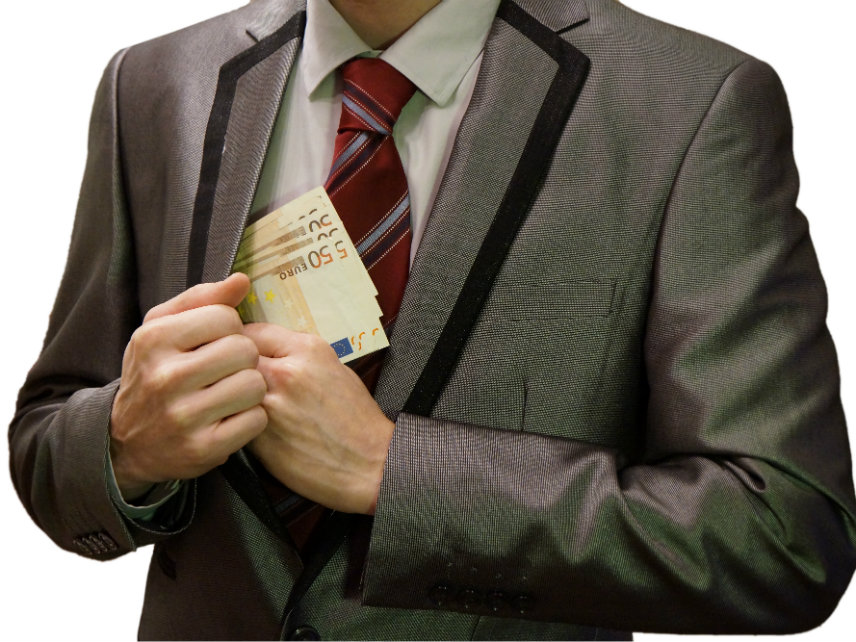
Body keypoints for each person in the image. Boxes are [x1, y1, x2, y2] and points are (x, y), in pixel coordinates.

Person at [8, 0, 856, 639]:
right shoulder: (153, 83)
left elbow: (782, 535)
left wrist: (394, 474)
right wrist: (125, 449)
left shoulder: (692, 102)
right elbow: (47, 444)